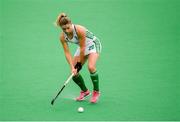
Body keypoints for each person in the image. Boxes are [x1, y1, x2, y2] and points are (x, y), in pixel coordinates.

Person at [55, 13, 102, 103]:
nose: (67, 31)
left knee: (91, 67)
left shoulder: (79, 29)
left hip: (93, 44)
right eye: (64, 29)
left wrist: (79, 64)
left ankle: (96, 92)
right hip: (81, 47)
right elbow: (67, 52)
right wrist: (72, 67)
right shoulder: (62, 37)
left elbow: (83, 48)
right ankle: (85, 91)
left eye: (68, 28)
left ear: (71, 23)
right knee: (73, 73)